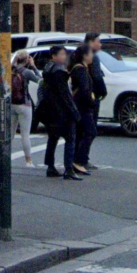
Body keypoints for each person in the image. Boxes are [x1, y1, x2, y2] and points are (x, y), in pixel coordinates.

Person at [40, 46, 82, 180]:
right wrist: (74, 111)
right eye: (62, 54)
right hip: (62, 111)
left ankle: (50, 166)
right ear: (54, 56)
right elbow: (65, 94)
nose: (65, 57)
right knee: (70, 138)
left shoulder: (47, 69)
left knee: (53, 138)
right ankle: (68, 169)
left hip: (50, 109)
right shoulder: (59, 71)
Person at [70, 45, 97, 176]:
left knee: (81, 134)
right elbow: (84, 90)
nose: (92, 56)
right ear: (84, 56)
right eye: (90, 53)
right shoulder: (80, 70)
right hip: (82, 107)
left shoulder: (82, 69)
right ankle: (79, 161)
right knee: (90, 132)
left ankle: (77, 160)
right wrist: (91, 102)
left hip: (81, 106)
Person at [10, 51, 38, 168]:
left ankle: (5, 158)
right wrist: (33, 66)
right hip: (24, 104)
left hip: (11, 104)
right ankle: (28, 161)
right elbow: (41, 81)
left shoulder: (10, 70)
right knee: (25, 134)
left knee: (9, 134)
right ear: (26, 60)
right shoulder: (26, 72)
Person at [83, 32, 106, 170]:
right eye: (98, 41)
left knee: (83, 130)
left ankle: (80, 158)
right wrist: (102, 92)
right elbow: (97, 77)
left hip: (81, 97)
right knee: (90, 130)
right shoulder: (93, 58)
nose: (100, 44)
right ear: (91, 42)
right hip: (91, 98)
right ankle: (82, 159)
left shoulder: (79, 54)